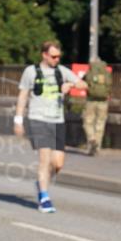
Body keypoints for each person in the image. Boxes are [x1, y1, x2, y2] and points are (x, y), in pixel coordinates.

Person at [14, 40, 87, 213]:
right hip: (38, 119)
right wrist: (18, 120)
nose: (56, 59)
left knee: (58, 163)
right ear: (44, 55)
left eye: (59, 56)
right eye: (53, 56)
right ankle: (44, 197)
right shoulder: (31, 72)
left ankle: (41, 182)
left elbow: (84, 84)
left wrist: (71, 85)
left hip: (57, 120)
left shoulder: (62, 71)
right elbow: (23, 95)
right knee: (44, 159)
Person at [82, 57, 112, 156]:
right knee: (100, 124)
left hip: (91, 100)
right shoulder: (106, 72)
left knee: (88, 122)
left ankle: (92, 139)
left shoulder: (90, 71)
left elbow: (84, 82)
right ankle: (97, 147)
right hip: (103, 101)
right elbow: (109, 85)